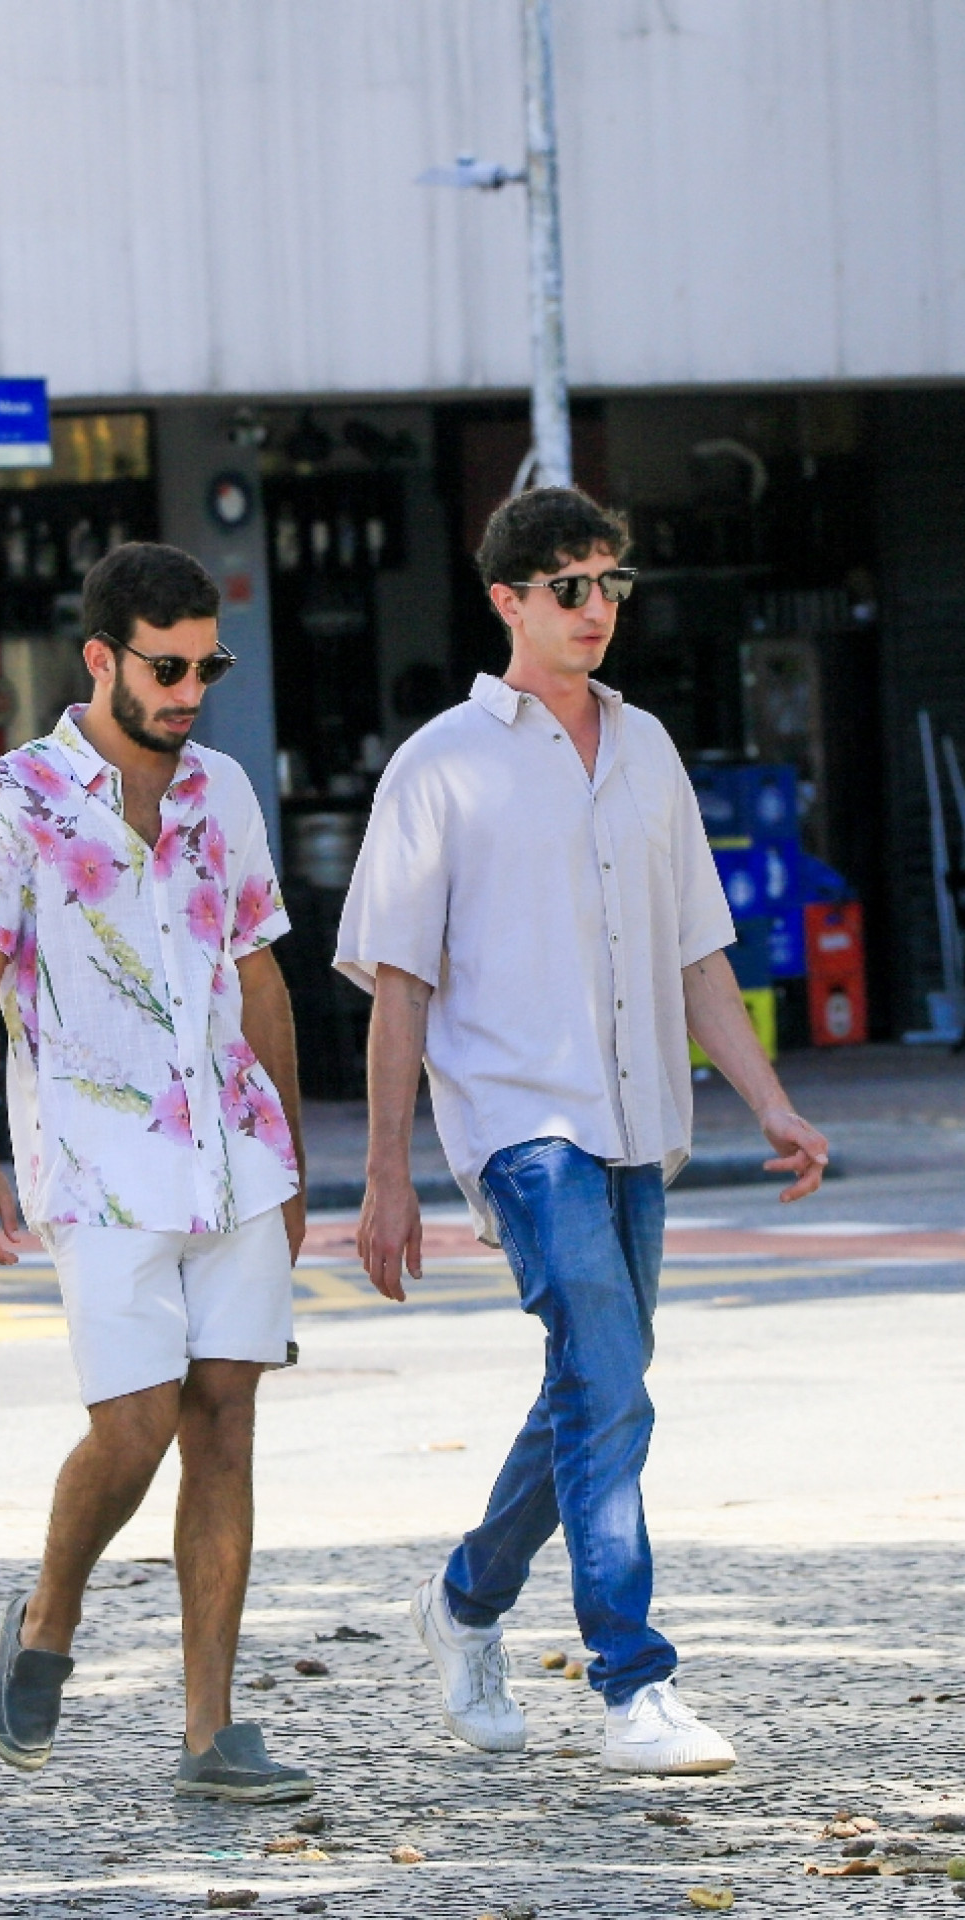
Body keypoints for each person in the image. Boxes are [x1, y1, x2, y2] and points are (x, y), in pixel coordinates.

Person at [335, 486, 830, 1776]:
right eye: (570, 586)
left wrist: (769, 1103)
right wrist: (385, 1176)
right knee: (607, 1377)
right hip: (518, 1124)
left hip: (635, 1120)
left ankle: (461, 1601)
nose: (597, 608)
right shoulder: (439, 763)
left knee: (594, 1389)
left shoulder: (650, 748)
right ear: (507, 601)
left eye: (612, 583)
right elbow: (397, 983)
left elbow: (697, 958)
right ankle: (632, 1682)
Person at [0, 541, 313, 1802]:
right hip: (96, 1165)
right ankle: (49, 1617)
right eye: (167, 665)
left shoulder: (225, 793)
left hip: (234, 1156)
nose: (190, 687)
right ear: (100, 658)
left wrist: (292, 1161)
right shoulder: (13, 799)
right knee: (135, 1425)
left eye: (208, 663)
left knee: (226, 1422)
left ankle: (211, 1730)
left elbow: (261, 975)